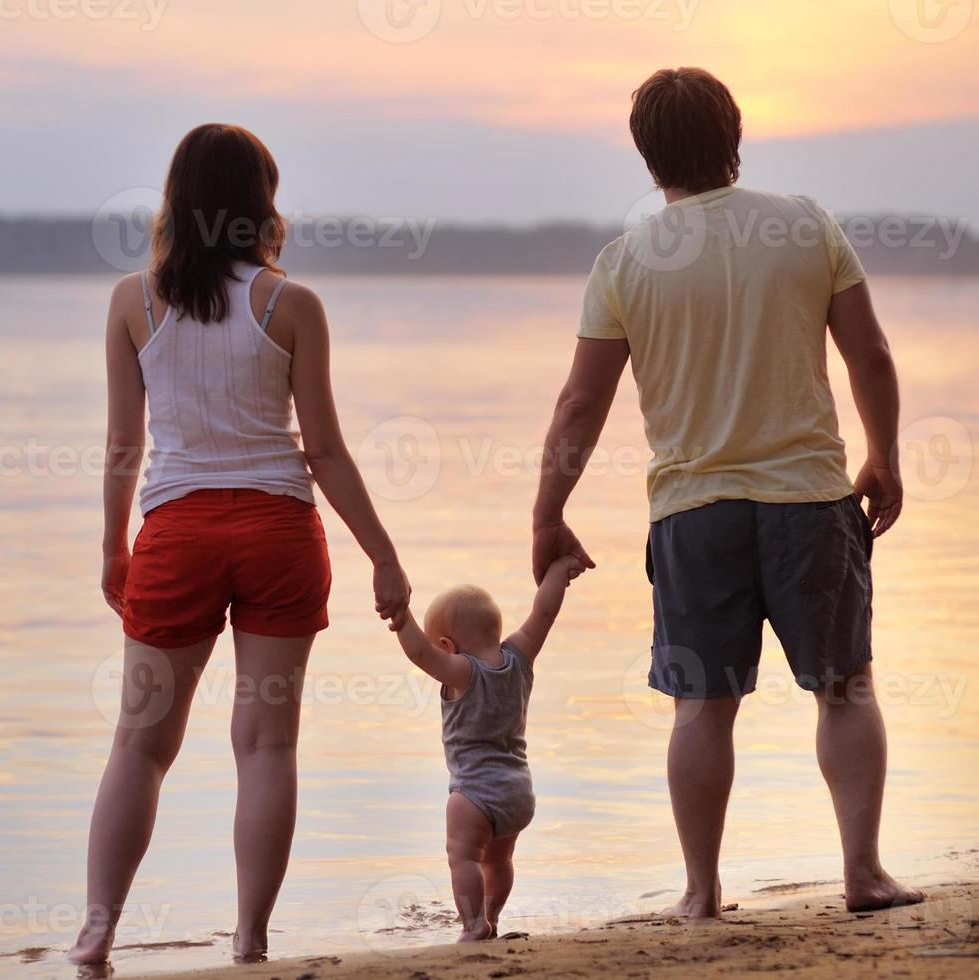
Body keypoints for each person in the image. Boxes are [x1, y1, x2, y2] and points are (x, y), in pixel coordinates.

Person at [531, 67, 924, 918]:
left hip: (692, 513)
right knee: (844, 687)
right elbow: (873, 356)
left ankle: (701, 893)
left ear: (647, 157)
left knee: (701, 705)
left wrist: (547, 511)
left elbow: (579, 403)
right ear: (735, 135)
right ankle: (863, 873)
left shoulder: (625, 260)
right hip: (808, 503)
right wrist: (884, 452)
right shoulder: (807, 226)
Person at [69, 123, 411, 965]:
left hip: (176, 534)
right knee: (267, 745)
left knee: (140, 743)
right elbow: (323, 450)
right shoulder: (291, 305)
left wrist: (114, 546)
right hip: (277, 533)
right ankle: (250, 938)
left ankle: (96, 930)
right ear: (260, 203)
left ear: (175, 201)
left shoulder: (131, 301)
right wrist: (384, 554)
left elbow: (124, 445)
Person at [391, 557, 585, 941]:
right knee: (500, 859)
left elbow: (419, 654)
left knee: (462, 857)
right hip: (517, 791)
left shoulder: (462, 671)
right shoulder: (520, 656)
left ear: (447, 646)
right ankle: (491, 914)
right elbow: (543, 612)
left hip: (475, 793)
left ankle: (473, 924)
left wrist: (400, 614)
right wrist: (559, 573)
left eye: (441, 649)